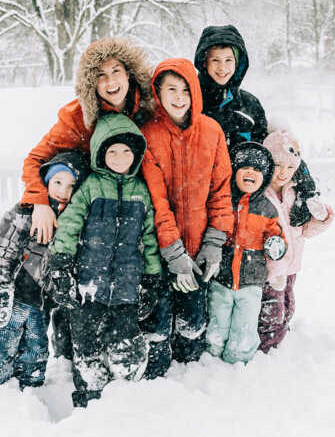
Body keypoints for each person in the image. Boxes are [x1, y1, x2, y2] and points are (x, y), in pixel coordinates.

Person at [44, 113, 162, 408]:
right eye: (112, 151)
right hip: (89, 287)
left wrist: (150, 279)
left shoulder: (142, 192)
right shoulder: (90, 188)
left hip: (127, 288)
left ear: (136, 155)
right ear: (100, 153)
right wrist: (61, 264)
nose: (120, 157)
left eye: (126, 151)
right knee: (87, 345)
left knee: (127, 344)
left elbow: (149, 239)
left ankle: (125, 400)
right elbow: (69, 226)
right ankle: (88, 398)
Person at [140, 58, 234, 377]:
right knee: (158, 323)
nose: (179, 97)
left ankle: (190, 385)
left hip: (199, 252)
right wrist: (173, 252)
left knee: (193, 324)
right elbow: (156, 201)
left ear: (194, 92)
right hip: (160, 253)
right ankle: (154, 382)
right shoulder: (149, 135)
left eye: (184, 90)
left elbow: (221, 192)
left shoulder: (212, 131)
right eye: (171, 90)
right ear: (158, 92)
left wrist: (213, 244)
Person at [20, 37, 155, 245]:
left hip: (137, 209)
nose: (110, 82)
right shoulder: (77, 117)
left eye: (116, 71)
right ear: (92, 81)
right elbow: (34, 160)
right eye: (101, 75)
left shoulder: (149, 108)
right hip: (90, 210)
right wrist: (40, 203)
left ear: (128, 73)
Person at [0, 150, 90, 389]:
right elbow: (2, 248)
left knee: (35, 348)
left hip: (42, 302)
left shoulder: (73, 218)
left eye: (71, 186)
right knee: (0, 341)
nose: (63, 191)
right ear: (48, 180)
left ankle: (30, 387)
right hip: (13, 294)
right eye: (58, 182)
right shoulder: (27, 211)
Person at [192, 24, 323, 227]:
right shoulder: (190, 101)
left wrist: (306, 189)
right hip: (198, 199)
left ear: (238, 63)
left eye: (228, 60)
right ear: (204, 62)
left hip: (242, 202)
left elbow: (274, 151)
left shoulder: (249, 105)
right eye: (215, 60)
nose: (222, 67)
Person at [207, 141, 286, 364]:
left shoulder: (267, 208)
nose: (251, 172)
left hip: (251, 281)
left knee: (245, 325)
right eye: (245, 167)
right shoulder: (223, 202)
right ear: (234, 172)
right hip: (221, 277)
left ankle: (238, 360)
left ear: (265, 176)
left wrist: (276, 245)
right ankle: (211, 360)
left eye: (258, 169)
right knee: (217, 321)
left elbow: (276, 234)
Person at [257, 130, 335, 353]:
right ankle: (267, 350)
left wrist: (323, 218)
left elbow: (305, 231)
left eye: (290, 167)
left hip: (292, 266)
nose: (283, 173)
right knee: (271, 312)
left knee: (288, 307)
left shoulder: (296, 194)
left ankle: (280, 343)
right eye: (278, 165)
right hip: (271, 269)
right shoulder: (260, 194)